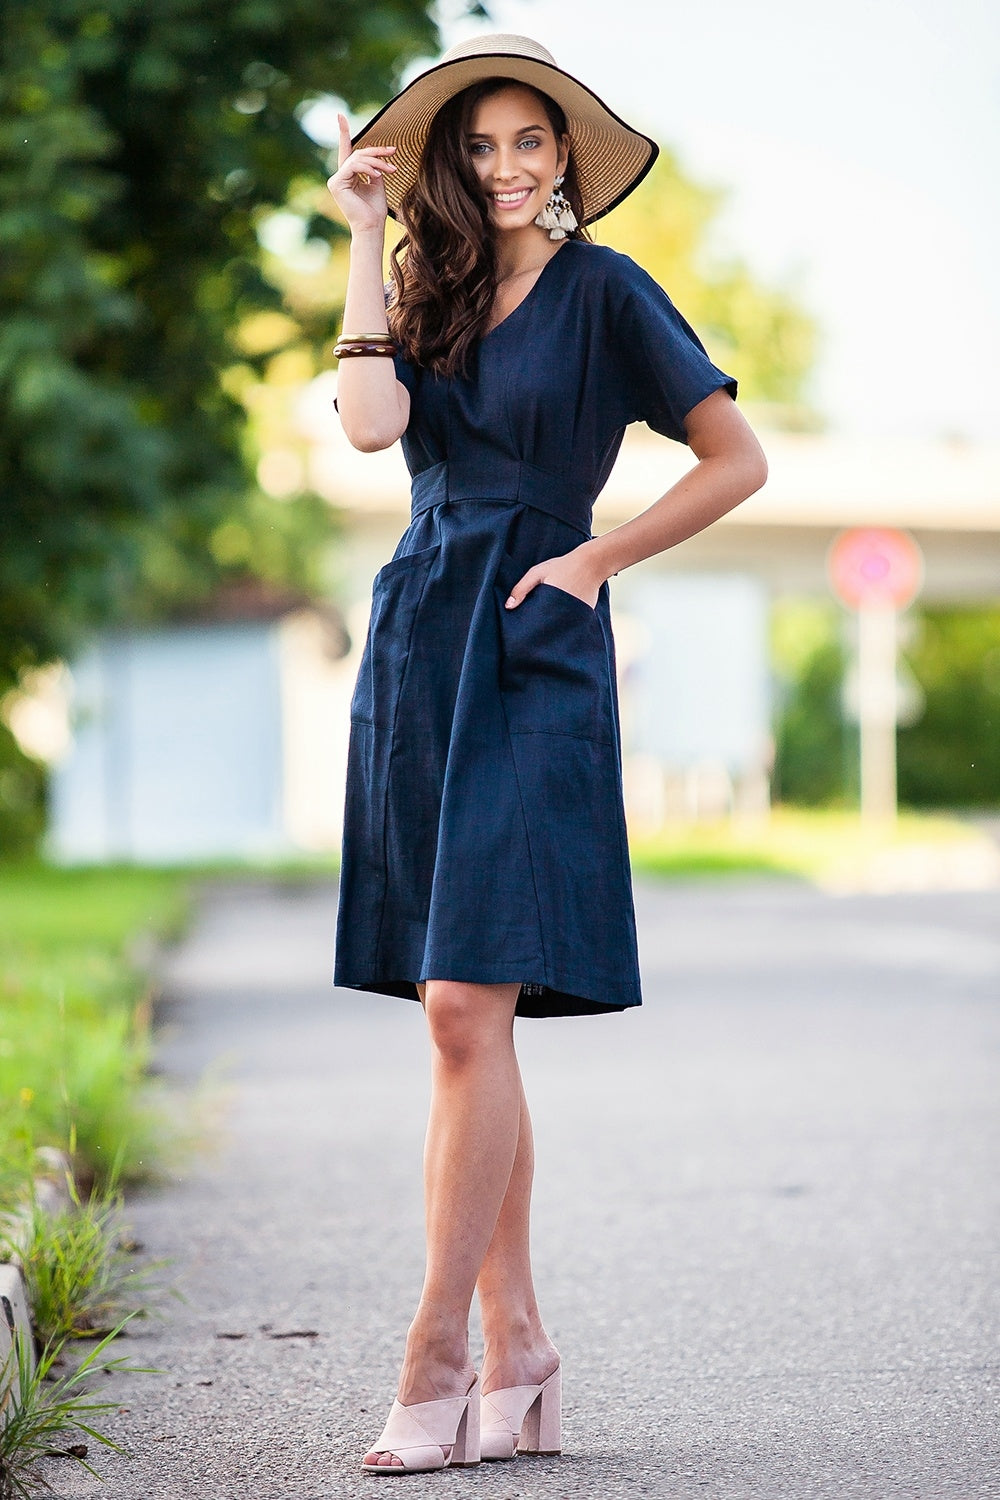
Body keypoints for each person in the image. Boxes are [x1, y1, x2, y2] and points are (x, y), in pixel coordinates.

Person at [326, 33, 767, 1474]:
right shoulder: (429, 292)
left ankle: (437, 1350)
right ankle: (519, 1347)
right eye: (483, 144)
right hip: (421, 641)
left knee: (464, 1004)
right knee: (470, 1022)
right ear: (450, 165)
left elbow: (734, 460)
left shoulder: (606, 293)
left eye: (534, 142)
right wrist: (362, 240)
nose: (510, 166)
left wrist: (593, 559)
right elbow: (371, 426)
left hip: (534, 639)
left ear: (564, 161)